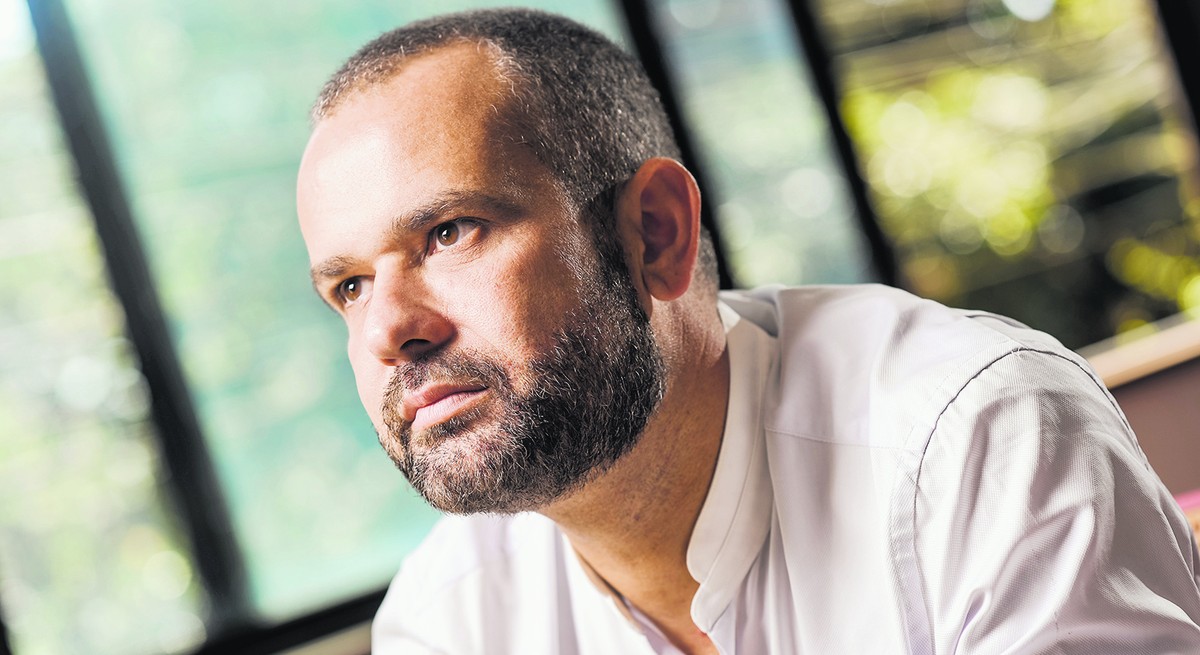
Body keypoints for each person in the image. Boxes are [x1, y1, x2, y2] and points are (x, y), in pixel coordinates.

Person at [295, 8, 1200, 654]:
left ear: (656, 233)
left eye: (450, 232)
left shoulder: (976, 436)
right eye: (349, 286)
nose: (388, 330)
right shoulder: (448, 619)